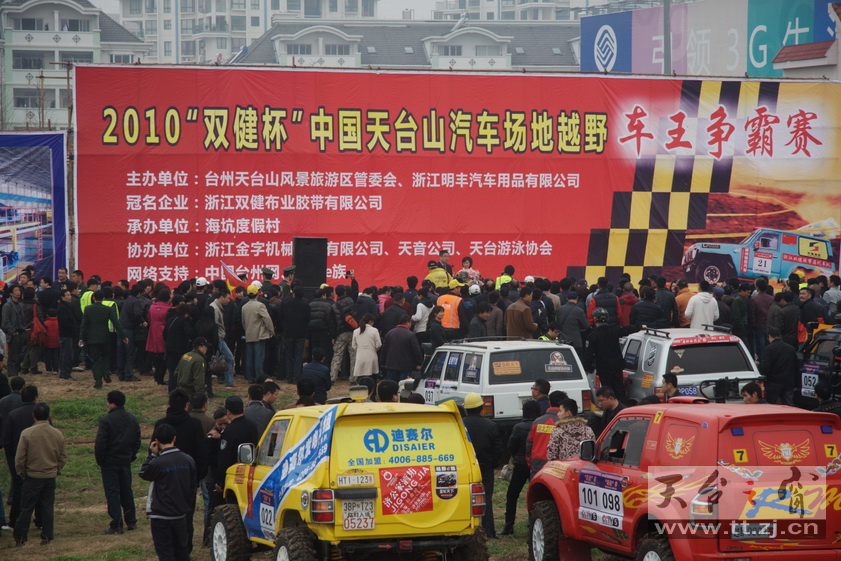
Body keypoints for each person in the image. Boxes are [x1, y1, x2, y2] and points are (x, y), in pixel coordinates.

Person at [139, 423, 197, 561]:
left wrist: (152, 455)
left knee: (165, 553)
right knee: (182, 551)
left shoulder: (158, 462)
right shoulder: (188, 460)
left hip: (161, 515)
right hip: (180, 514)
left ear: (157, 441)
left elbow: (144, 473)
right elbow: (192, 486)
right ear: (174, 438)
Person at [13, 402, 66, 547]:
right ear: (49, 416)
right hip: (49, 476)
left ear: (33, 416)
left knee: (26, 508)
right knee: (47, 507)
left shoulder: (27, 433)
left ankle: (20, 537)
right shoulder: (57, 433)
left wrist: (22, 473)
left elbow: (19, 458)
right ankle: (47, 536)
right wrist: (56, 469)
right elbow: (62, 456)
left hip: (32, 476)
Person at [95, 390, 141, 535]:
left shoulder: (106, 421)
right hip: (125, 460)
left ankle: (116, 524)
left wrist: (101, 460)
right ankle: (131, 521)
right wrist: (131, 455)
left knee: (112, 492)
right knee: (127, 490)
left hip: (109, 462)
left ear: (111, 402)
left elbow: (101, 443)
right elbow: (137, 441)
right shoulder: (132, 419)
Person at [461, 392, 502, 539]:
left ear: (466, 409)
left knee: (465, 497)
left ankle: (466, 531)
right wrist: (493, 464)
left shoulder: (460, 425)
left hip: (464, 468)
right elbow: (497, 448)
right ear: (481, 408)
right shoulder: (490, 425)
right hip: (484, 467)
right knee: (486, 498)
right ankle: (489, 531)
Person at [583, 308, 641, 404]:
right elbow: (627, 329)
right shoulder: (614, 330)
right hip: (617, 367)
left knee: (607, 392)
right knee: (620, 390)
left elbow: (588, 355)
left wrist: (587, 368)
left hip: (604, 369)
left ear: (595, 319)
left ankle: (610, 410)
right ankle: (622, 409)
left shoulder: (592, 336)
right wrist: (639, 327)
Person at [501, 399, 540, 536]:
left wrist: (515, 455)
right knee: (537, 496)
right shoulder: (540, 426)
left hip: (520, 464)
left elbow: (511, 445)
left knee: (512, 495)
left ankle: (508, 526)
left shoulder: (518, 427)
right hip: (536, 465)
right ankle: (533, 524)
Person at [2, 384, 38, 530]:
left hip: (17, 457)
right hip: (37, 458)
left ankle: (14, 520)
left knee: (17, 489)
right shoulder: (40, 413)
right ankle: (40, 521)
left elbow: (7, 440)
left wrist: (12, 457)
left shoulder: (14, 414)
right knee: (39, 490)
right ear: (36, 397)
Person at [81, 290, 127, 389]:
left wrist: (81, 338)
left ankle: (98, 381)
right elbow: (116, 322)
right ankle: (106, 373)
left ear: (93, 298)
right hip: (105, 337)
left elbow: (83, 325)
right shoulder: (108, 309)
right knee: (105, 356)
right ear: (103, 299)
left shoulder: (88, 309)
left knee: (95, 360)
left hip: (92, 338)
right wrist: (123, 335)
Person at [215, 396, 258, 492]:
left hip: (233, 474)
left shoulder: (229, 430)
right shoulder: (253, 425)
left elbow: (224, 457)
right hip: (250, 471)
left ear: (228, 411)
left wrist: (220, 481)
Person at [241, 285, 274, 383]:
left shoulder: (244, 307)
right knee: (259, 358)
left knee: (249, 357)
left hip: (248, 334)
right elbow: (267, 319)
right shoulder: (260, 305)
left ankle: (250, 378)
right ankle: (259, 378)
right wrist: (271, 331)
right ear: (257, 294)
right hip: (259, 335)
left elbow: (243, 322)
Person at [759, 327, 798, 406]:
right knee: (789, 405)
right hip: (788, 383)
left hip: (773, 384)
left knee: (769, 406)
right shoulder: (791, 349)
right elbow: (796, 367)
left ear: (769, 336)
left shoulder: (769, 349)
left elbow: (765, 368)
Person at [280, 287, 311, 385]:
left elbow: (282, 318)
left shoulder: (287, 304)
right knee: (298, 357)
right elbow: (308, 319)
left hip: (288, 333)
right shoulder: (306, 306)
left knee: (289, 356)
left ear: (294, 294)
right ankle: (296, 377)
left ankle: (289, 377)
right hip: (300, 334)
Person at [380, 314, 423, 382]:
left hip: (391, 365)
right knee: (403, 388)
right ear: (407, 322)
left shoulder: (390, 333)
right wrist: (419, 363)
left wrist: (382, 362)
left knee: (391, 387)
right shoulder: (410, 335)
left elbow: (384, 349)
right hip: (406, 366)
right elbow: (416, 350)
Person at [352, 313, 381, 381]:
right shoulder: (374, 330)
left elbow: (353, 346)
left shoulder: (356, 331)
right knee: (372, 377)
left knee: (361, 378)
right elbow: (379, 344)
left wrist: (359, 350)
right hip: (372, 356)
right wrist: (373, 349)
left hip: (360, 357)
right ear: (371, 321)